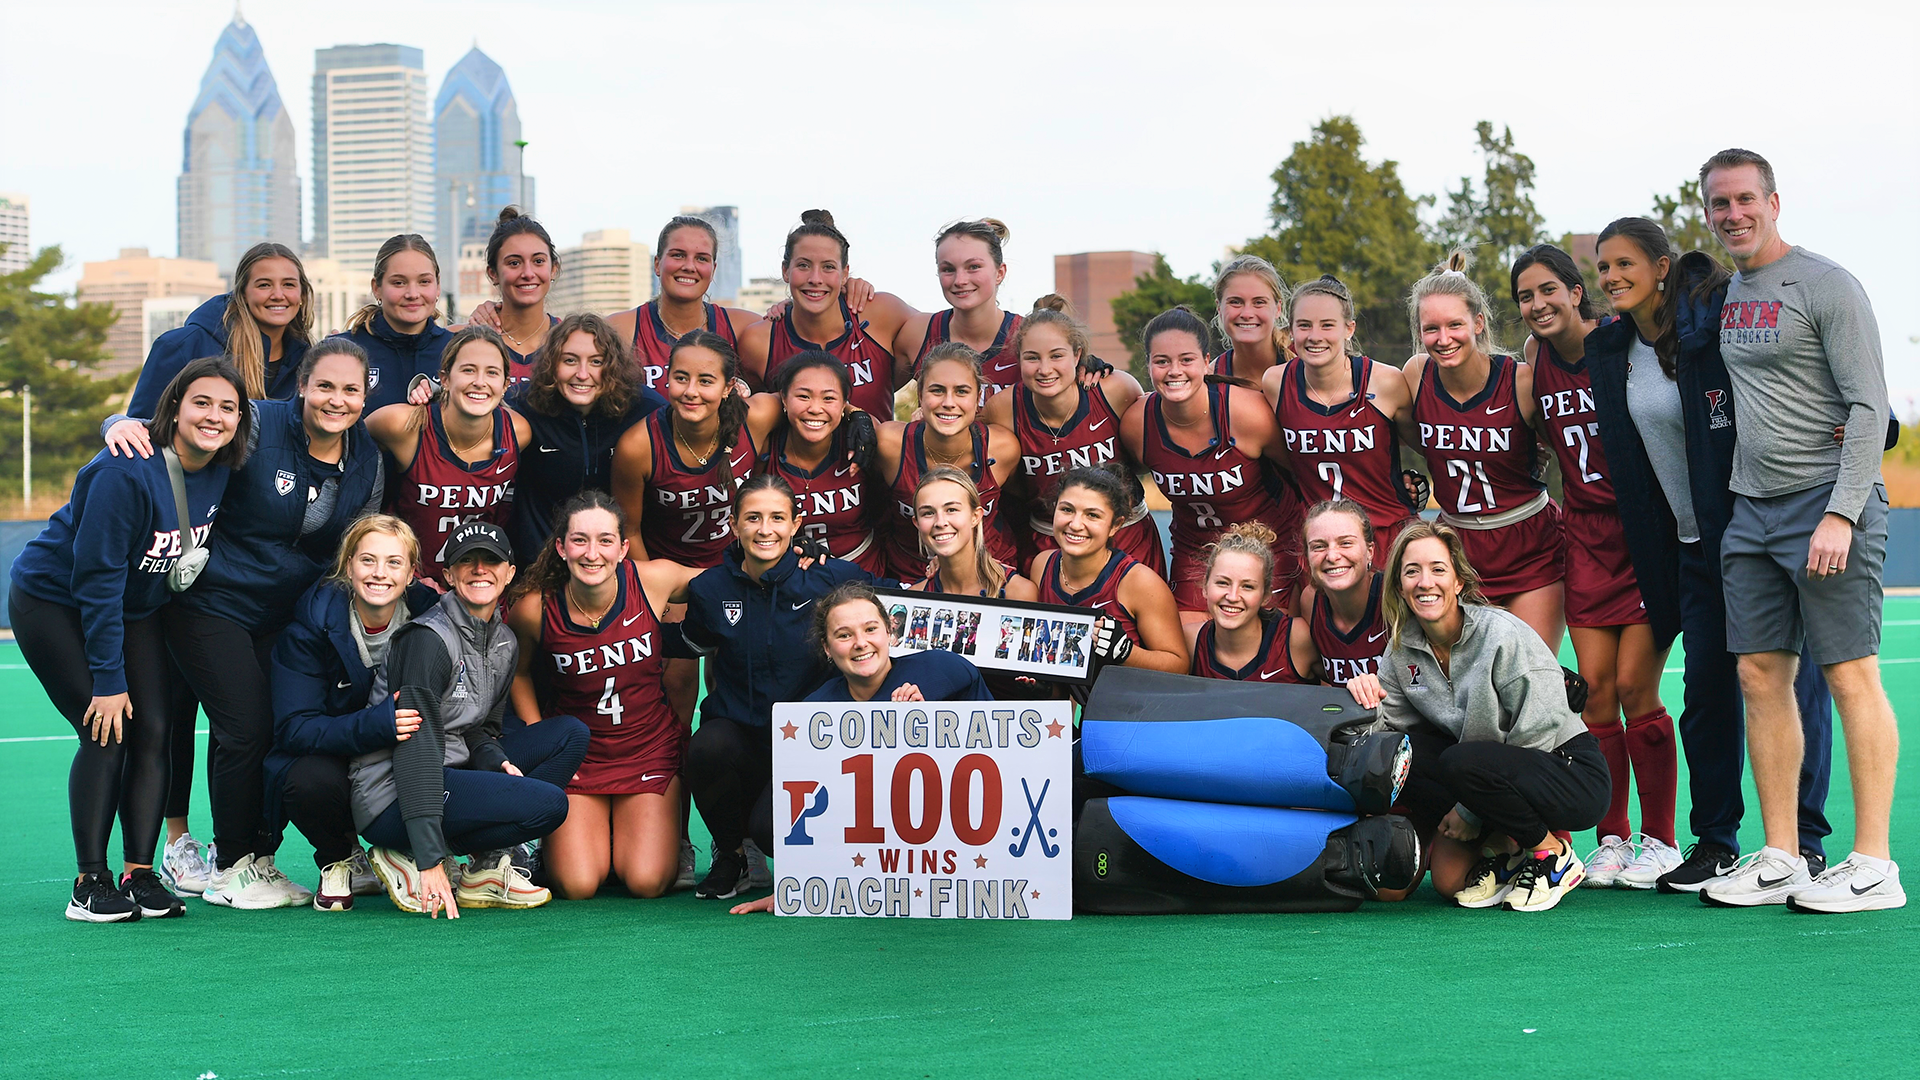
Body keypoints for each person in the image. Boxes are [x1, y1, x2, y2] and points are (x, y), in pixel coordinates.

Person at [1585, 215, 1845, 896]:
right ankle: (1717, 842)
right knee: (1705, 694)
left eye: (1624, 264)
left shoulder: (1714, 326)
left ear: (1662, 266)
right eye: (1603, 267)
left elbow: (1787, 375)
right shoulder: (1611, 350)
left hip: (1759, 533)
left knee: (1794, 687)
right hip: (1691, 551)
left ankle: (1806, 844)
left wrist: (1865, 419)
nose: (1610, 277)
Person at [105, 338, 386, 909]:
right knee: (244, 724)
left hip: (285, 612)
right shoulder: (255, 421)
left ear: (365, 396)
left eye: (350, 390)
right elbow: (181, 428)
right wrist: (118, 420)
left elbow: (355, 539)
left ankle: (261, 854)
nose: (337, 399)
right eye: (325, 386)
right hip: (213, 602)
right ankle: (230, 866)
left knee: (281, 725)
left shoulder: (367, 457)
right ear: (302, 385)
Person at [1694, 150, 1902, 912]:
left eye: (1746, 199)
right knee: (1759, 677)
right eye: (1720, 204)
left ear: (1774, 202)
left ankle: (1875, 864)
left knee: (1850, 675)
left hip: (1827, 504)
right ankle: (1782, 855)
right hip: (1752, 508)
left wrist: (1842, 512)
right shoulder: (1730, 293)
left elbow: (1867, 407)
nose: (1734, 215)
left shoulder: (1827, 284)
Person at [11, 359, 248, 921]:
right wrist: (109, 680)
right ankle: (88, 882)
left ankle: (139, 873)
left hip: (137, 607)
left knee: (158, 731)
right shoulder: (125, 471)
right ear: (173, 407)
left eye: (228, 407)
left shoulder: (221, 467)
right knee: (106, 728)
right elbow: (96, 582)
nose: (213, 416)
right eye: (201, 403)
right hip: (57, 602)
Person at [1511, 244, 1679, 888]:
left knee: (1638, 689)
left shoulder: (1621, 340)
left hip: (1641, 535)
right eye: (1526, 296)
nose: (1539, 304)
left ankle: (1660, 840)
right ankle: (1611, 838)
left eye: (1549, 290)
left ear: (1577, 292)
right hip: (1581, 537)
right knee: (1596, 696)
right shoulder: (1534, 361)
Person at [1348, 521, 1608, 913]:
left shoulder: (1500, 633)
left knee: (1461, 758)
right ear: (1399, 586)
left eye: (1438, 569)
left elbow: (1536, 732)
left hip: (1570, 770)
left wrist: (1468, 811)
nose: (1425, 582)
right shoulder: (1401, 653)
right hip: (1485, 772)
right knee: (1448, 876)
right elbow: (1392, 734)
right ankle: (1509, 853)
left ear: (1457, 582)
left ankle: (1551, 855)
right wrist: (1364, 701)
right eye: (1411, 571)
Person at [354, 522, 590, 917]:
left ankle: (484, 866)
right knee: (549, 805)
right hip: (393, 793)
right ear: (448, 575)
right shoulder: (428, 639)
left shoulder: (503, 641)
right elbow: (417, 749)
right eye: (467, 561)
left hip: (453, 769)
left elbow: (481, 728)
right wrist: (430, 860)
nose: (480, 570)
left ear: (509, 572)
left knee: (570, 734)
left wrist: (494, 760)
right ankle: (412, 853)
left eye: (491, 561)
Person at [669, 475, 883, 900]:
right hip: (740, 737)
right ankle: (732, 854)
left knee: (772, 835)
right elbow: (681, 642)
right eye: (753, 518)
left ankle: (767, 841)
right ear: (733, 524)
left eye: (777, 518)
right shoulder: (710, 590)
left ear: (795, 524)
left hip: (811, 742)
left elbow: (901, 612)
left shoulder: (829, 579)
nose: (765, 529)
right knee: (706, 746)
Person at [727, 580, 992, 915]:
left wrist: (933, 716)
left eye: (870, 629)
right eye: (844, 635)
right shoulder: (816, 711)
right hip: (878, 836)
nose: (860, 643)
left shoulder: (942, 670)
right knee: (769, 821)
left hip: (954, 835)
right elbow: (803, 812)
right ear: (826, 648)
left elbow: (998, 745)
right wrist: (798, 887)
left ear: (890, 633)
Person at [506, 492, 703, 901]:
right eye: (579, 540)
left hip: (647, 748)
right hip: (581, 758)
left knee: (646, 882)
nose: (591, 553)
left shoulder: (653, 580)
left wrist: (792, 559)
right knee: (578, 885)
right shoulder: (534, 608)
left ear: (623, 548)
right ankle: (578, 842)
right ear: (561, 547)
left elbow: (726, 582)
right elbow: (519, 673)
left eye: (605, 540)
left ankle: (647, 837)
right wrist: (541, 736)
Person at [1398, 253, 1565, 652]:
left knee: (1528, 675)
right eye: (1431, 328)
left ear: (1478, 322)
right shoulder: (1415, 374)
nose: (1444, 338)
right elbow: (1413, 440)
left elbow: (1564, 447)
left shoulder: (1520, 381)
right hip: (1460, 550)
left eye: (1455, 324)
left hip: (1530, 547)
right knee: (1471, 687)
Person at [265, 515, 427, 910]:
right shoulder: (312, 623)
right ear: (348, 565)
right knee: (304, 778)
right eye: (367, 560)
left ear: (411, 574)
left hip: (398, 755)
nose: (379, 574)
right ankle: (340, 855)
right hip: (337, 758)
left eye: (394, 563)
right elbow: (294, 728)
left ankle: (417, 853)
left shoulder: (432, 617)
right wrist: (377, 725)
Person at [1122, 306, 1303, 638]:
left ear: (1207, 361)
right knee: (1194, 651)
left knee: (1270, 651)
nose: (1174, 371)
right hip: (1197, 554)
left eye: (1186, 360)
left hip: (1270, 547)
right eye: (1161, 361)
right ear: (1148, 364)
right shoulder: (1138, 424)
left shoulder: (1246, 412)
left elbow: (1301, 473)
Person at [984, 295, 1164, 575]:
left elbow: (1143, 459)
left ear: (1078, 354)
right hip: (1049, 543)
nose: (1045, 369)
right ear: (1018, 358)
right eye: (1032, 357)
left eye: (1057, 355)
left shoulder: (1116, 390)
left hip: (1128, 538)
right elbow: (1012, 484)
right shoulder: (1002, 409)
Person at [1262, 276, 1418, 563]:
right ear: (1291, 330)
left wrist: (1415, 482)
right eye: (1304, 325)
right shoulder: (1276, 383)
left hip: (1386, 535)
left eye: (1327, 325)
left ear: (1349, 329)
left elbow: (1420, 444)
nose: (1314, 335)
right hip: (1321, 543)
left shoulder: (1386, 382)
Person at [368, 325, 530, 591]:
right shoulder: (403, 426)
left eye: (492, 372)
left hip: (479, 585)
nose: (480, 381)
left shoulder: (518, 433)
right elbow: (345, 440)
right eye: (468, 370)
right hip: (408, 585)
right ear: (444, 378)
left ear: (505, 385)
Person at [502, 312, 666, 566]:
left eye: (596, 362)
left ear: (613, 366)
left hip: (615, 564)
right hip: (538, 565)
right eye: (569, 360)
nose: (582, 374)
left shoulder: (644, 408)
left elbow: (692, 423)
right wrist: (429, 390)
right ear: (551, 364)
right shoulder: (525, 404)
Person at [737, 210, 916, 411]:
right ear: (786, 271)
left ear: (844, 273)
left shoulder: (882, 313)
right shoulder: (760, 341)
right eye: (803, 265)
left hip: (874, 442)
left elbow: (943, 334)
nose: (815, 279)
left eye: (828, 267)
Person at [876, 342, 1021, 580]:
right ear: (920, 395)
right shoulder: (890, 445)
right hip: (910, 577)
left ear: (978, 398)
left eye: (962, 391)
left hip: (991, 572)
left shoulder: (1002, 448)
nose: (949, 402)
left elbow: (1020, 507)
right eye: (937, 391)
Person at [1031, 467, 1189, 675]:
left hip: (1124, 704)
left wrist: (1126, 653)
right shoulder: (1042, 565)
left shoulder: (1139, 582)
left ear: (1115, 525)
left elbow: (1179, 667)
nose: (1075, 524)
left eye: (1093, 515)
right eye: (1067, 510)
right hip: (1067, 706)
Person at [128, 241, 312, 415]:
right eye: (264, 285)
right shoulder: (183, 346)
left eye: (288, 284)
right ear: (242, 294)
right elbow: (142, 428)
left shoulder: (308, 360)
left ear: (302, 293)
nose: (278, 295)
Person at [753, 350, 887, 573]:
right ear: (783, 398)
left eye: (829, 398)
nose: (815, 409)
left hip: (863, 574)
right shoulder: (765, 445)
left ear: (845, 403)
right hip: (787, 576)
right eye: (803, 396)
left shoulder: (861, 442)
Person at [611, 215, 760, 394]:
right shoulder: (620, 330)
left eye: (702, 259)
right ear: (657, 264)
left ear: (713, 270)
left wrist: (785, 309)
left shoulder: (743, 327)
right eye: (678, 255)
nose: (689, 266)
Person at [896, 219, 1025, 396]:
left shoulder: (1026, 336)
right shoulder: (918, 333)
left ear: (1000, 273)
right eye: (948, 269)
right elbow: (870, 394)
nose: (960, 280)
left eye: (973, 267)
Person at [333, 233, 452, 411]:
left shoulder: (458, 351)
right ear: (377, 288)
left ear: (438, 286)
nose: (412, 294)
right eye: (399, 283)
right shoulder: (342, 351)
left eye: (424, 282)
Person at [1188, 521, 1310, 683]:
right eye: (1223, 583)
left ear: (1266, 595)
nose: (1232, 596)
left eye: (1247, 586)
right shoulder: (1190, 641)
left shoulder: (1297, 639)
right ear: (1205, 586)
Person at [906, 465, 1037, 600]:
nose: (940, 522)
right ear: (917, 523)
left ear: (975, 516)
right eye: (928, 513)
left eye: (951, 509)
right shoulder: (915, 596)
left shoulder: (1018, 591)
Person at [1296, 499, 1389, 687]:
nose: (1332, 556)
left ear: (1370, 551)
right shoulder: (1310, 601)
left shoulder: (1393, 595)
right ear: (1307, 556)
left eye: (1345, 543)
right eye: (1319, 546)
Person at [472, 207, 560, 382]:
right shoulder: (463, 340)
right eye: (514, 263)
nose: (528, 273)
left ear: (553, 269)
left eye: (538, 261)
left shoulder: (573, 341)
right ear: (493, 273)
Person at [1210, 255, 1293, 386]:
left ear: (1278, 308)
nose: (1247, 314)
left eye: (1259, 302)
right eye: (1235, 302)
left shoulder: (1306, 368)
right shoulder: (1209, 379)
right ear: (1219, 308)